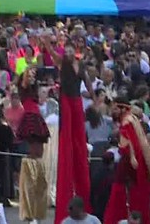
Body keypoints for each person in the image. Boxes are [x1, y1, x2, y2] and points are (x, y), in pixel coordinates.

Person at [48, 39, 92, 224]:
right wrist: (47, 43)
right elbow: (53, 54)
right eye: (64, 50)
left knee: (79, 134)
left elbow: (88, 82)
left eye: (69, 50)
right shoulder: (62, 63)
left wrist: (95, 97)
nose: (66, 52)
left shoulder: (80, 65)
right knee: (68, 134)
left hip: (76, 101)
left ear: (75, 51)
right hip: (66, 100)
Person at [103, 99, 150, 224]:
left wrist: (128, 162)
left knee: (119, 204)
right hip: (138, 169)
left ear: (123, 109)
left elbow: (128, 146)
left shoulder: (126, 123)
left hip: (131, 170)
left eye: (115, 109)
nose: (112, 111)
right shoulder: (132, 119)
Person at [15, 67, 51, 222]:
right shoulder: (23, 88)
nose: (32, 77)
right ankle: (31, 207)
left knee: (40, 152)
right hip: (30, 116)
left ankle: (37, 205)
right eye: (29, 75)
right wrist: (29, 70)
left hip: (36, 115)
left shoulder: (34, 88)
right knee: (34, 152)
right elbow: (25, 79)